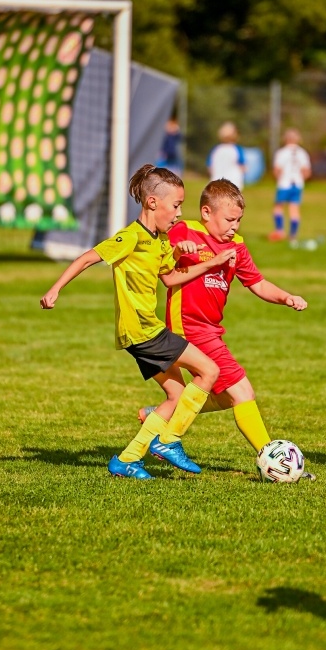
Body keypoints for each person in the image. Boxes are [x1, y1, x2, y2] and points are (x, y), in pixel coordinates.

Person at [39, 164, 235, 480]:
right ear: (152, 203)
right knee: (209, 370)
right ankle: (170, 440)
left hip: (143, 332)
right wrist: (55, 288)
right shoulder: (130, 237)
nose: (179, 213)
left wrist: (208, 261)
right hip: (144, 331)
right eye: (175, 205)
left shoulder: (159, 241)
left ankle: (127, 460)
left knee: (175, 396)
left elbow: (171, 278)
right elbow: (89, 257)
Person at [138, 178, 307, 460]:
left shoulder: (237, 247)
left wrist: (286, 297)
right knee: (243, 391)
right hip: (188, 328)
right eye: (229, 219)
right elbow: (167, 259)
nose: (235, 227)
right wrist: (181, 250)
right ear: (206, 213)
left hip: (211, 331)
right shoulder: (186, 230)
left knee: (227, 397)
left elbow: (258, 283)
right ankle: (274, 460)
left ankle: (163, 416)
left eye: (239, 220)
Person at [270, 129, 311, 242]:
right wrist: (301, 179)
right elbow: (306, 171)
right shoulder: (302, 153)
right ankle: (293, 235)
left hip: (284, 183)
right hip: (297, 183)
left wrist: (278, 178)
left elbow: (277, 169)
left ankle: (280, 231)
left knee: (278, 207)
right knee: (294, 209)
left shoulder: (282, 152)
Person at [208, 123, 246, 189]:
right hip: (234, 181)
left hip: (216, 181)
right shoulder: (237, 149)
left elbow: (210, 166)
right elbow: (242, 166)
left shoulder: (216, 149)